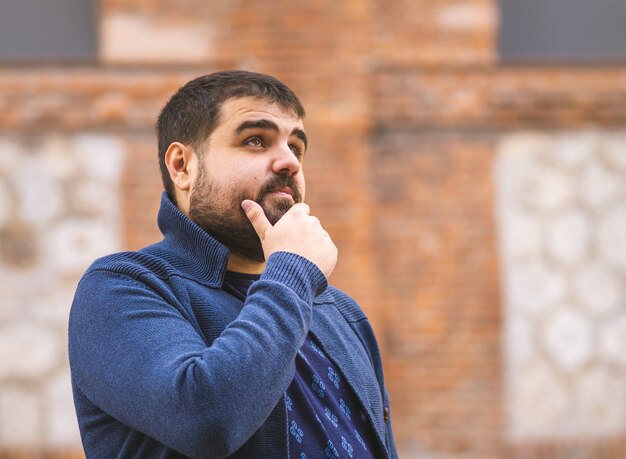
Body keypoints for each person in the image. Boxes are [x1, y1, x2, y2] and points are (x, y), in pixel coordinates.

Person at [69, 70, 397, 458]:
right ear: (182, 166)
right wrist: (292, 269)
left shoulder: (341, 312)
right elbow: (206, 418)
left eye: (296, 147)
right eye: (255, 140)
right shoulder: (124, 287)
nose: (289, 162)